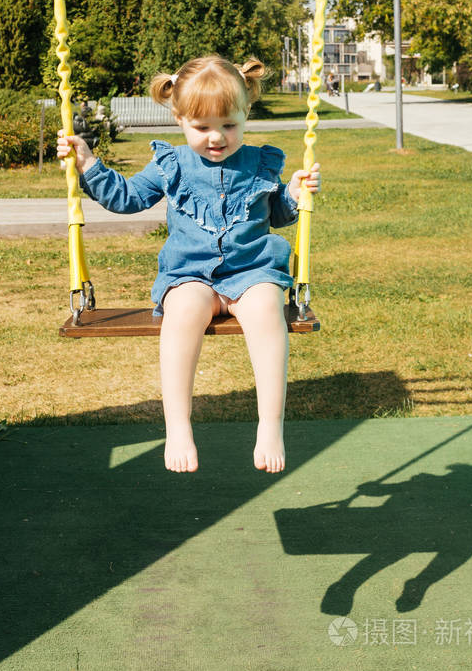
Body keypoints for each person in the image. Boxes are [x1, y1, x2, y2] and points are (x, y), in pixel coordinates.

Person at [57, 55, 320, 475]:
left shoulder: (260, 162)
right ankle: (178, 427)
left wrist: (293, 193)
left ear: (246, 114)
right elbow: (126, 198)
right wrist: (88, 164)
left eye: (228, 125)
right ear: (179, 119)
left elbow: (275, 215)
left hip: (252, 273)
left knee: (267, 312)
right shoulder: (171, 164)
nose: (216, 137)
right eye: (202, 127)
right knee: (181, 314)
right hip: (190, 276)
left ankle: (270, 425)